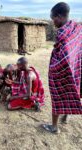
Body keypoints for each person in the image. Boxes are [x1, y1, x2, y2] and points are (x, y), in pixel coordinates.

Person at [42, 2, 82, 134]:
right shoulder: (76, 27)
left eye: (53, 18)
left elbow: (64, 58)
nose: (53, 22)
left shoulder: (63, 33)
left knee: (57, 96)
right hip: (75, 68)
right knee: (70, 90)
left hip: (62, 71)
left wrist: (54, 69)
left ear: (59, 16)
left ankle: (54, 127)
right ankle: (66, 115)